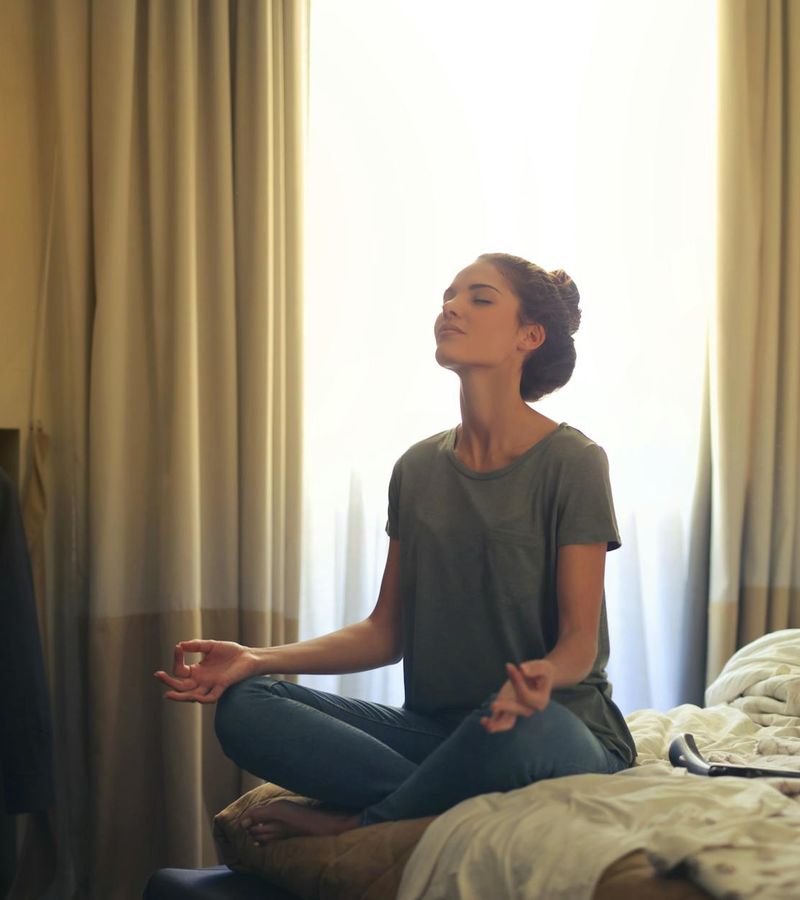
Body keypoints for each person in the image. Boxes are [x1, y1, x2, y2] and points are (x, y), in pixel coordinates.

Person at [155, 252, 636, 845]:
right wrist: (257, 658)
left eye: (479, 298)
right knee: (247, 706)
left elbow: (580, 642)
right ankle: (436, 798)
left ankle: (365, 822)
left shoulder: (574, 462)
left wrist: (543, 673)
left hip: (549, 727)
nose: (452, 307)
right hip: (434, 734)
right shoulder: (416, 468)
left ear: (528, 336)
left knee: (524, 731)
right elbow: (385, 633)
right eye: (448, 296)